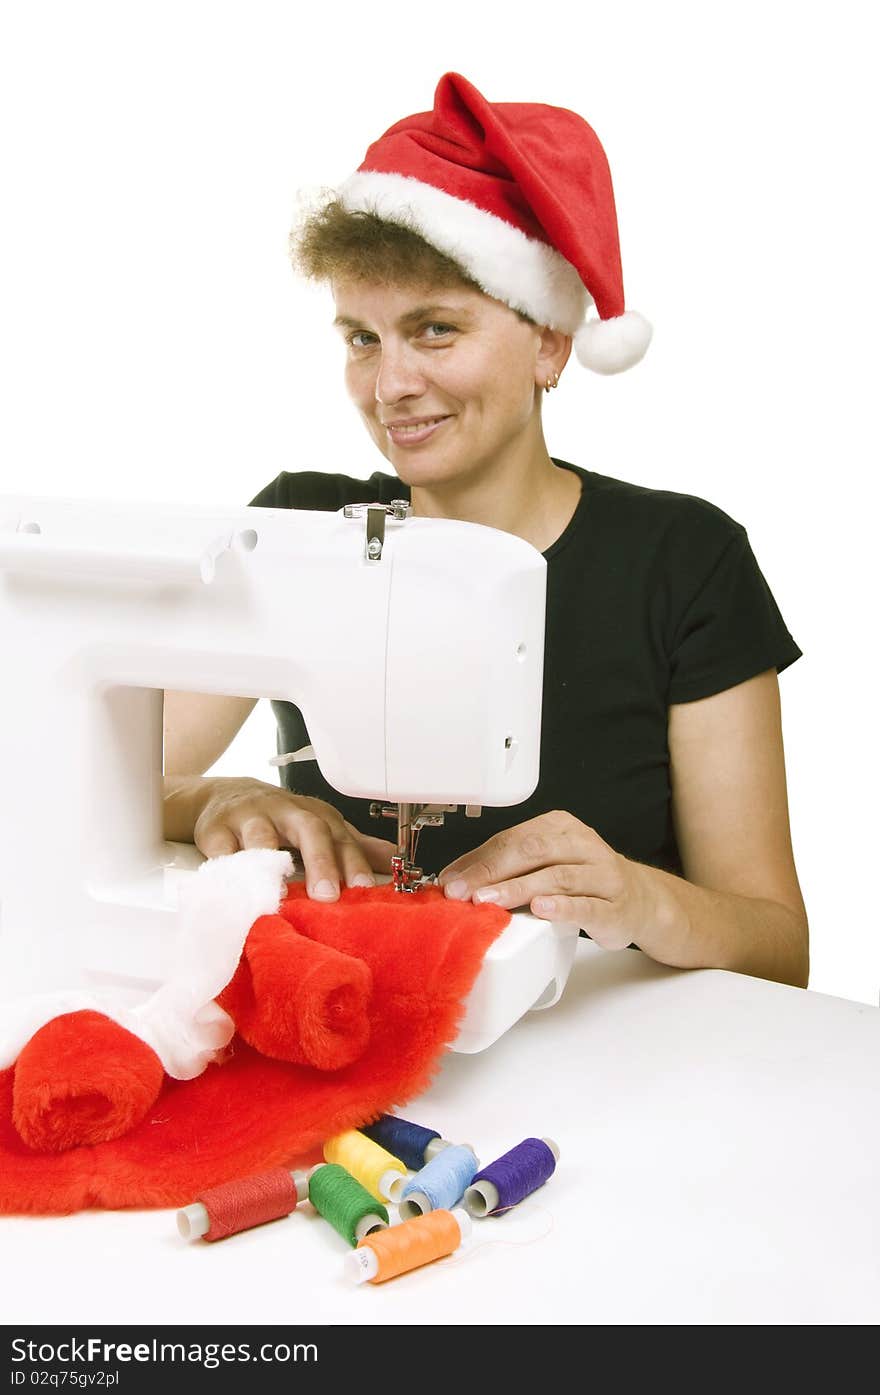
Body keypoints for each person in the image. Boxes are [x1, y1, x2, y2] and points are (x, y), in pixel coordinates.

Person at [163, 72, 808, 989]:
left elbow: (780, 950)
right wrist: (213, 796)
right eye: (361, 338)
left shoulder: (685, 564)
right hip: (349, 1024)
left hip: (620, 1055)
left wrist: (642, 899)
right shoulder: (301, 526)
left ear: (549, 341)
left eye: (433, 331)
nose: (388, 387)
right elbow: (92, 784)